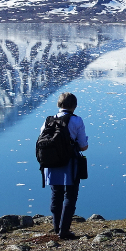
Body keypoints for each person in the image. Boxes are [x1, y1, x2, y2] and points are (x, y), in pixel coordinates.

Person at [40, 92, 89, 239]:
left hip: (50, 163)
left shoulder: (48, 120)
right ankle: (64, 230)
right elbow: (83, 146)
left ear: (58, 104)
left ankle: (56, 227)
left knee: (56, 194)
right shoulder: (77, 121)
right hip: (69, 163)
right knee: (71, 195)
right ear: (74, 106)